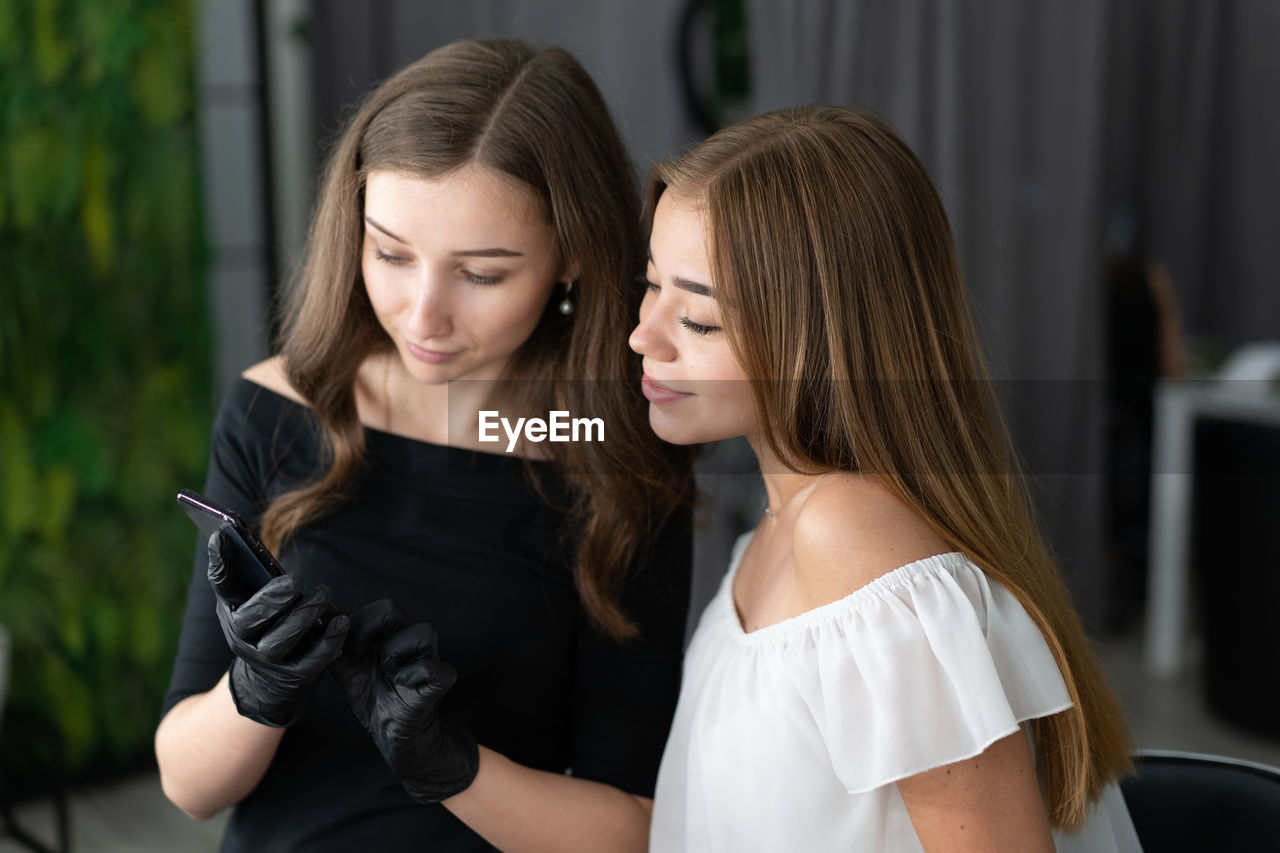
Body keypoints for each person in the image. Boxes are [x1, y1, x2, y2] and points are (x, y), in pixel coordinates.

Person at [154, 38, 693, 852]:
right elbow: (187, 784)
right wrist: (254, 692)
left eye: (481, 274)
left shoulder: (612, 463)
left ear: (573, 258)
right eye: (391, 254)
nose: (421, 314)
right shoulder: (276, 411)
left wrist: (458, 769)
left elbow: (631, 827)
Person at [629, 105, 1140, 852]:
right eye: (650, 286)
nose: (643, 336)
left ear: (821, 335)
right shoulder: (780, 527)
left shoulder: (853, 535)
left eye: (700, 322)